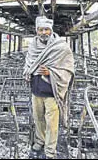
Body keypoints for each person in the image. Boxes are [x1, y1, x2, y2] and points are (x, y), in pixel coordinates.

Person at [23, 16, 74, 159]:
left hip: (52, 91)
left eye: (46, 29)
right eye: (41, 29)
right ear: (37, 31)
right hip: (36, 90)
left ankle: (50, 151)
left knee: (51, 123)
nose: (44, 32)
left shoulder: (61, 47)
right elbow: (28, 64)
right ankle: (40, 141)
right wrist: (29, 71)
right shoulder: (33, 46)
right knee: (38, 118)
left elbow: (68, 68)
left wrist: (50, 72)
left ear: (51, 30)